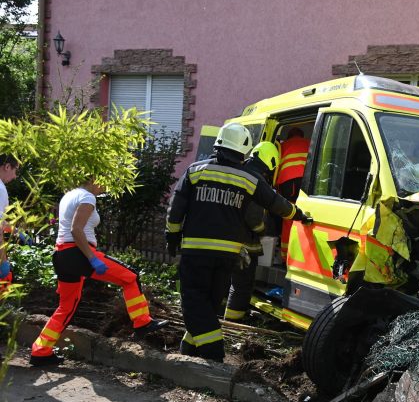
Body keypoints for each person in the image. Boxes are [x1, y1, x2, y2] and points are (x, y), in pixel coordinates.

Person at [166, 123, 311, 361]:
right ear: (243, 150)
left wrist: (171, 235)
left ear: (218, 144)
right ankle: (189, 351)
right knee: (212, 303)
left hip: (196, 252)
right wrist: (300, 215)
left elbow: (177, 206)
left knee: (193, 300)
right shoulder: (249, 179)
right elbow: (276, 203)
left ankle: (213, 354)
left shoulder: (195, 171)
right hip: (227, 257)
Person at [30, 179, 169, 366]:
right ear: (95, 178)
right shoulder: (87, 197)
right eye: (105, 179)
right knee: (130, 277)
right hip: (79, 253)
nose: (106, 185)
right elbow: (76, 229)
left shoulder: (69, 195)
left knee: (66, 306)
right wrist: (92, 258)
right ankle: (142, 322)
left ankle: (40, 351)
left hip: (62, 255)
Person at [223, 141, 280, 321]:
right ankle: (234, 320)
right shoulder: (255, 180)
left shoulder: (238, 171)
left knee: (223, 280)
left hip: (224, 238)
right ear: (270, 162)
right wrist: (262, 231)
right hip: (244, 244)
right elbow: (254, 217)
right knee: (242, 284)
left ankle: (219, 313)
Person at [276, 127, 310, 259]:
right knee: (304, 215)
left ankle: (286, 256)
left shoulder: (284, 146)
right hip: (306, 181)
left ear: (290, 136)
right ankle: (302, 255)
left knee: (289, 215)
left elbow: (277, 166)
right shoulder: (309, 143)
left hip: (288, 182)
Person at [0, 155, 20, 293]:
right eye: (15, 171)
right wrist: (2, 259)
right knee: (4, 282)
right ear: (7, 167)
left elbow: (3, 221)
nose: (15, 176)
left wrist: (17, 232)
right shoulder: (0, 188)